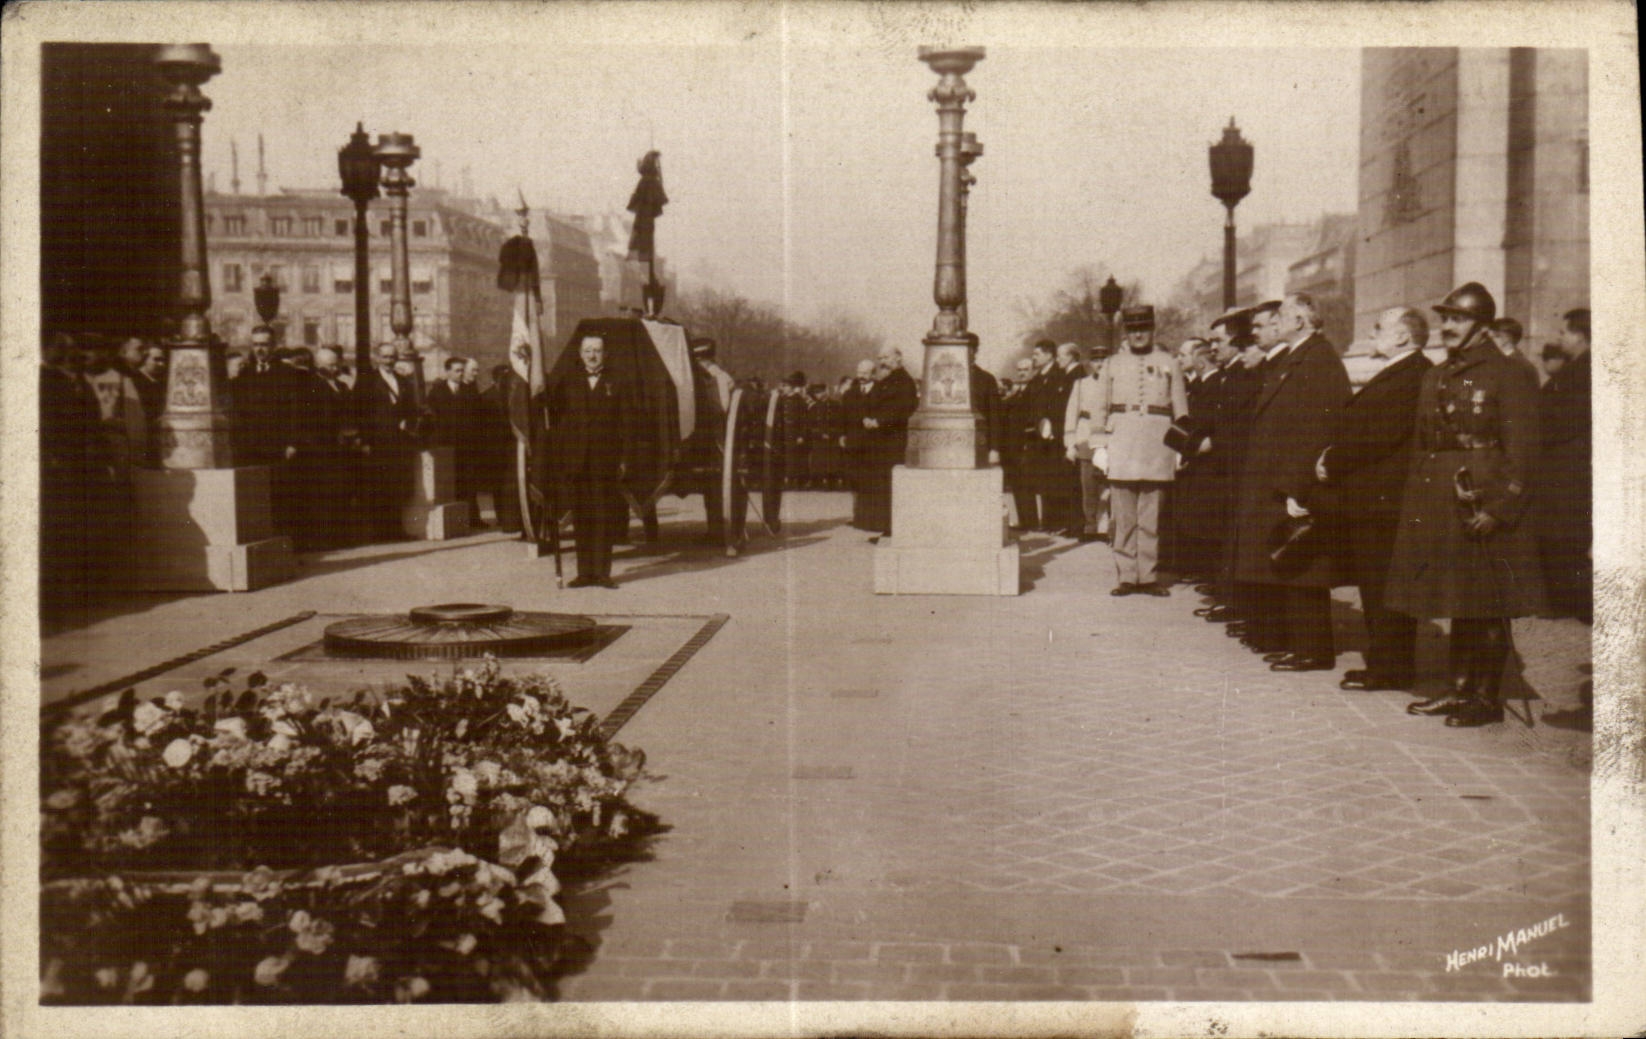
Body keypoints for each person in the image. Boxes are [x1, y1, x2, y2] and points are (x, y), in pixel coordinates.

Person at [1386, 282, 1545, 727]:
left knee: (1488, 601)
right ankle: (1459, 690)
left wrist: (1500, 508)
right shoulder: (1436, 375)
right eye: (1445, 318)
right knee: (1459, 597)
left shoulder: (1509, 373)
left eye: (1457, 319)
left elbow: (1526, 451)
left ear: (1481, 324)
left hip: (1484, 500)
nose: (1447, 326)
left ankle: (1485, 698)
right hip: (1443, 501)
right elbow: (1423, 446)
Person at [1305, 307, 1433, 692]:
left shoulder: (1414, 374)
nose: (1373, 333)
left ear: (1403, 336)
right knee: (1376, 586)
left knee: (1383, 587)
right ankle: (1385, 662)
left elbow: (1379, 435)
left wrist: (1332, 460)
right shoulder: (1402, 370)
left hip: (1385, 502)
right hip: (1374, 500)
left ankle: (1391, 668)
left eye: (1379, 328)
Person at [1228, 293, 1351, 671]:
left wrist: (1298, 487)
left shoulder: (1318, 359)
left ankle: (1313, 649)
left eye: (1281, 315)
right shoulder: (1300, 357)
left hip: (1295, 483)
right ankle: (1298, 643)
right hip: (1278, 479)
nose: (1275, 321)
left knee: (1303, 564)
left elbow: (1319, 429)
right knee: (1289, 561)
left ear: (1300, 321)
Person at [1090, 306, 1188, 595]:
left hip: (1158, 446)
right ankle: (1127, 576)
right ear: (1126, 332)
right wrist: (1099, 445)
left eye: (1143, 328)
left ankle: (1148, 576)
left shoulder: (1169, 363)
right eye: (1133, 329)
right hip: (1122, 444)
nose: (1138, 334)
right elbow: (1099, 407)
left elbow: (1181, 409)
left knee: (1151, 518)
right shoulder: (1112, 364)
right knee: (1124, 518)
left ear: (1152, 330)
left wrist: (1180, 447)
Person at [544, 334, 632, 588]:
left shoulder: (618, 380)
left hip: (606, 460)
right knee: (582, 517)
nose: (592, 356)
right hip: (577, 460)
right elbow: (552, 411)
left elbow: (627, 423)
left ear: (605, 354)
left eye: (597, 351)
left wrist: (624, 458)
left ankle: (602, 573)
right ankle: (584, 573)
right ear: (580, 354)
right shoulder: (568, 380)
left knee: (604, 516)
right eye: (588, 351)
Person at [1537, 307, 1592, 626]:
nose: (1559, 338)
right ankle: (1566, 600)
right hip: (1563, 466)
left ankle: (1579, 603)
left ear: (1581, 336)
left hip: (1570, 468)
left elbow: (1567, 420)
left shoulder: (1585, 371)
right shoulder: (1576, 368)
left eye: (1564, 332)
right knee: (1562, 533)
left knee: (1567, 535)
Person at [355, 342, 419, 542]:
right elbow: (359, 412)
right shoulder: (367, 381)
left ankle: (396, 530)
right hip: (377, 441)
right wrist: (365, 440)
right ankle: (379, 532)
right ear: (377, 358)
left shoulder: (403, 380)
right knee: (379, 485)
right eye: (385, 357)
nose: (389, 361)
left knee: (397, 484)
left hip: (398, 441)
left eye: (392, 357)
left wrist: (408, 422)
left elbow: (411, 408)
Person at [860, 346, 918, 537]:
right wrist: (867, 417)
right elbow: (870, 402)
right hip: (879, 441)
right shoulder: (885, 381)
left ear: (898, 358)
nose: (882, 362)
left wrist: (879, 421)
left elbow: (903, 410)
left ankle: (893, 530)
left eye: (885, 357)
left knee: (892, 485)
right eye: (880, 358)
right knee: (881, 485)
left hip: (894, 441)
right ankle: (885, 527)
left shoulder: (905, 382)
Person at [1063, 352, 1110, 543]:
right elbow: (1071, 413)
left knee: (1106, 485)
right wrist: (1070, 442)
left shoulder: (1115, 384)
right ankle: (1090, 526)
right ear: (1090, 363)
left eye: (1103, 360)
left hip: (1108, 436)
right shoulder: (1081, 384)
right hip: (1086, 436)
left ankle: (1105, 526)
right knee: (1088, 484)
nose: (1100, 364)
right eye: (1096, 360)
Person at [1001, 357, 1037, 530]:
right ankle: (1024, 520)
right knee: (1017, 482)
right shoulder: (1017, 391)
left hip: (1026, 442)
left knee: (1026, 483)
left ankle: (1031, 522)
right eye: (1020, 370)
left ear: (1033, 370)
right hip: (1013, 443)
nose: (1022, 373)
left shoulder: (1034, 390)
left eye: (1026, 369)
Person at [840, 359, 877, 528]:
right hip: (854, 443)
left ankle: (871, 517)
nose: (861, 376)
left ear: (873, 374)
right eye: (859, 372)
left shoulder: (880, 392)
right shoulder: (849, 394)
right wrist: (842, 434)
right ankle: (857, 515)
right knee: (854, 479)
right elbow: (842, 417)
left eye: (865, 373)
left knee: (870, 480)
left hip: (873, 445)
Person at [1488, 317, 1541, 392]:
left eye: (1492, 338)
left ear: (1506, 338)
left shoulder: (1519, 366)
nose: (1488, 343)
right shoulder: (1501, 361)